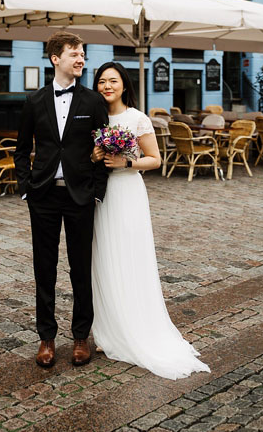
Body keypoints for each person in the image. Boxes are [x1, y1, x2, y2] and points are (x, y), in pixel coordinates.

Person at [89, 62, 210, 379]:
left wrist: (125, 161)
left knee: (129, 256)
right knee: (103, 258)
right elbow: (86, 157)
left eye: (112, 81)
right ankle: (106, 330)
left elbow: (155, 159)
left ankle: (135, 327)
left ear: (124, 85)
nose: (106, 86)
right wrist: (96, 156)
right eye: (101, 81)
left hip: (128, 192)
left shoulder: (137, 118)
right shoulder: (95, 118)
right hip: (102, 195)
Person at [14, 31, 108, 368]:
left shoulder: (94, 102)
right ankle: (47, 338)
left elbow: (104, 147)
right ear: (56, 58)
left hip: (80, 195)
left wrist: (97, 191)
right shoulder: (34, 101)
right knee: (45, 268)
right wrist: (26, 187)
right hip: (42, 196)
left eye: (83, 53)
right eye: (74, 53)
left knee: (81, 267)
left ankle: (81, 336)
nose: (80, 58)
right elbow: (21, 149)